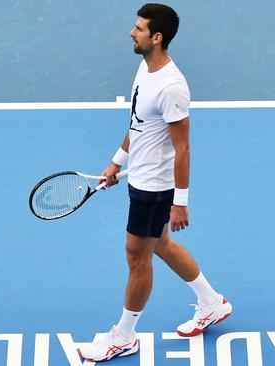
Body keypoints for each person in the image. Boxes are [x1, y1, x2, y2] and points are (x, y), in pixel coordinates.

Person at [79, 3, 232, 362]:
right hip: (140, 177)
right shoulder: (144, 68)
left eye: (139, 28)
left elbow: (183, 149)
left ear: (157, 37)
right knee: (160, 243)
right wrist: (115, 164)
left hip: (155, 187)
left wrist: (180, 201)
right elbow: (139, 125)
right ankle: (211, 303)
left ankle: (124, 336)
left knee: (137, 256)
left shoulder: (171, 87)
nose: (132, 33)